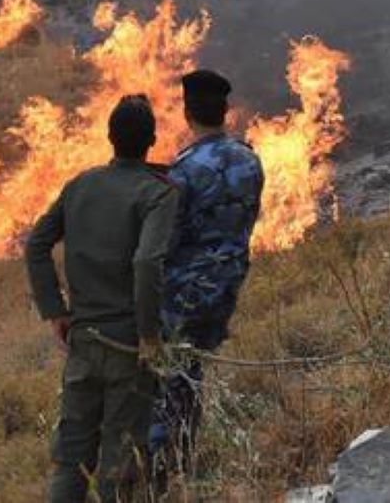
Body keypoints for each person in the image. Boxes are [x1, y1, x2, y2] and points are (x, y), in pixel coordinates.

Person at [26, 95, 179, 503]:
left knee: (71, 458)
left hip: (83, 342)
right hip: (128, 346)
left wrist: (55, 312)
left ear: (109, 137)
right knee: (120, 463)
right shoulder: (158, 193)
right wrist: (149, 335)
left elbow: (36, 244)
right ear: (152, 141)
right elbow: (147, 262)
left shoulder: (81, 185)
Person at [149, 68, 265, 485]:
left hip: (185, 292)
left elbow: (167, 240)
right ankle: (184, 458)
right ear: (225, 110)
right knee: (190, 371)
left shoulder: (184, 172)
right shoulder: (250, 160)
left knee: (168, 378)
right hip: (227, 286)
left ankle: (164, 474)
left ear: (187, 113)